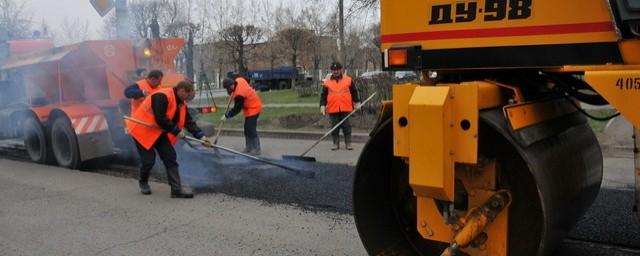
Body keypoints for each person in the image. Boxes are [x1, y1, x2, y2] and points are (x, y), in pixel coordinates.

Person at [126, 81, 210, 198]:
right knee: (149, 161)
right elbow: (160, 118)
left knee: (170, 156)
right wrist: (176, 131)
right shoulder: (161, 96)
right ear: (181, 91)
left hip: (157, 131)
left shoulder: (181, 103)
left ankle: (176, 190)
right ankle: (143, 181)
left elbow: (189, 122)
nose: (187, 99)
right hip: (142, 130)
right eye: (187, 95)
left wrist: (202, 136)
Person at [320, 62, 361, 151]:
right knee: (334, 127)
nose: (336, 71)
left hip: (345, 107)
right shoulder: (327, 82)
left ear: (340, 70)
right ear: (332, 71)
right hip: (333, 108)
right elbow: (323, 95)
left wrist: (356, 102)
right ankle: (335, 143)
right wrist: (322, 105)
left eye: (337, 70)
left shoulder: (348, 80)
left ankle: (348, 143)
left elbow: (354, 91)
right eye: (334, 70)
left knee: (346, 126)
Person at [221, 76, 263, 155]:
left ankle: (257, 149)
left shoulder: (239, 94)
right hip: (249, 108)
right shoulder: (239, 80)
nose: (228, 91)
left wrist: (227, 116)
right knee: (246, 128)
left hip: (254, 107)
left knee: (251, 128)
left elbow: (237, 109)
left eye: (228, 89)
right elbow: (246, 80)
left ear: (230, 86)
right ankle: (249, 147)